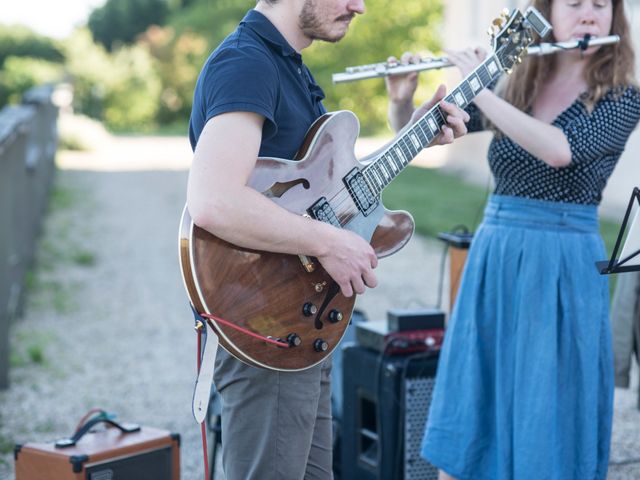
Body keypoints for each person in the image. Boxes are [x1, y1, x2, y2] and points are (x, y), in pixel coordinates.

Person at [185, 1, 469, 478]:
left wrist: (410, 125)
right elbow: (214, 200)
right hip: (264, 321)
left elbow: (332, 196)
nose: (359, 6)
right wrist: (328, 243)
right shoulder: (247, 62)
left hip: (301, 325)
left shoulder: (284, 63)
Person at [386, 0, 640, 479]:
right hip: (497, 251)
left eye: (601, 5)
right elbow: (417, 136)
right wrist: (402, 99)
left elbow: (560, 150)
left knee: (547, 403)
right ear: (545, 13)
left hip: (562, 260)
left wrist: (479, 85)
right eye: (574, 3)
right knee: (479, 393)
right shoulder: (520, 83)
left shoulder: (623, 96)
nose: (589, 14)